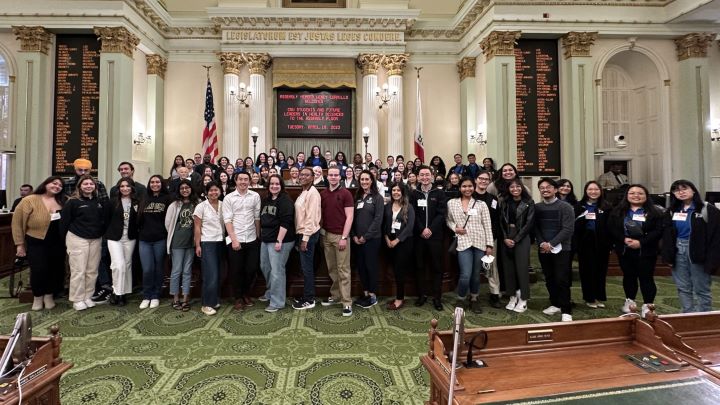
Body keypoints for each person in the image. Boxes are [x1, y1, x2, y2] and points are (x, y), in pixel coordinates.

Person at [661, 180, 720, 313]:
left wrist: (712, 259)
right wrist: (668, 255)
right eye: (676, 190)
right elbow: (667, 235)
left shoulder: (707, 209)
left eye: (684, 189)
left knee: (701, 288)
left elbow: (716, 236)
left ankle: (703, 316)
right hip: (678, 250)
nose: (681, 192)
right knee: (683, 287)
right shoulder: (672, 211)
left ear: (693, 190)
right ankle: (687, 315)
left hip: (698, 251)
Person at [607, 184, 663, 318]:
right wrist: (624, 239)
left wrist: (641, 242)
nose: (636, 196)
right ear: (626, 195)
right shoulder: (617, 211)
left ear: (646, 196)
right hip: (625, 250)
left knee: (646, 277)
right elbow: (612, 229)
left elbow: (658, 231)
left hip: (646, 250)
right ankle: (629, 301)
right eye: (632, 193)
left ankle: (647, 306)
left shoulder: (655, 212)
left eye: (640, 193)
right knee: (629, 276)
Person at [11, 176, 65, 311]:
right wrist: (20, 244)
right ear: (46, 183)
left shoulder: (62, 200)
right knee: (38, 270)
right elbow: (17, 223)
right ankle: (38, 297)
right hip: (36, 241)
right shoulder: (30, 200)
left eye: (60, 185)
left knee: (54, 269)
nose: (57, 186)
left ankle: (49, 296)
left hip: (57, 242)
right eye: (54, 183)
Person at [60, 175, 109, 311]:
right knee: (78, 270)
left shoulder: (99, 201)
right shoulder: (73, 202)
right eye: (85, 184)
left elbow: (103, 220)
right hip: (77, 238)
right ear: (80, 186)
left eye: (91, 184)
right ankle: (77, 299)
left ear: (95, 186)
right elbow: (64, 223)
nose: (88, 186)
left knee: (92, 270)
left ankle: (87, 296)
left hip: (95, 239)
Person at [447, 177, 494, 313]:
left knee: (475, 275)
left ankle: (474, 298)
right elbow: (448, 219)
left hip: (479, 242)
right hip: (463, 242)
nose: (467, 189)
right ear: (460, 188)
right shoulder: (452, 203)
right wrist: (455, 227)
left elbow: (487, 225)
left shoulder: (481, 204)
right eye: (464, 186)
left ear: (474, 187)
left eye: (470, 186)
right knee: (465, 274)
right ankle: (461, 298)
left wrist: (489, 245)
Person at [535, 178, 575, 322]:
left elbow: (568, 229)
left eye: (548, 187)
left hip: (562, 249)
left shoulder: (566, 207)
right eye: (542, 188)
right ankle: (555, 304)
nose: (545, 190)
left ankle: (566, 309)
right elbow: (536, 228)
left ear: (556, 190)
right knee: (549, 278)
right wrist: (541, 243)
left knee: (562, 279)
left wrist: (551, 243)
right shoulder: (537, 207)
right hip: (543, 249)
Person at [223, 171, 261, 311]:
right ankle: (238, 297)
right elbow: (227, 220)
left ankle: (246, 293)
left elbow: (257, 217)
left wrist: (258, 237)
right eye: (241, 179)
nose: (243, 182)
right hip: (236, 239)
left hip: (251, 238)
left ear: (249, 181)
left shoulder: (255, 196)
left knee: (251, 269)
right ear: (236, 180)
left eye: (246, 179)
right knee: (236, 270)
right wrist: (234, 240)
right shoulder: (229, 198)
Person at [319, 167, 355, 316]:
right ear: (327, 177)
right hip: (326, 235)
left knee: (343, 270)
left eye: (336, 175)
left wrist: (344, 237)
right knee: (332, 269)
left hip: (341, 236)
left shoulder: (346, 193)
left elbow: (350, 217)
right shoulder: (323, 194)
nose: (333, 177)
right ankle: (336, 296)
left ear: (340, 177)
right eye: (331, 175)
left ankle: (346, 302)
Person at [411, 166, 447, 311]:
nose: (425, 177)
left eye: (427, 175)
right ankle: (421, 295)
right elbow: (412, 214)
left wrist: (430, 229)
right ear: (418, 177)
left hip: (435, 236)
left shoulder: (439, 193)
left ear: (432, 176)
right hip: (419, 237)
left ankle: (437, 298)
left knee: (437, 268)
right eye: (422, 175)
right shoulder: (414, 193)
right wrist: (422, 229)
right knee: (419, 267)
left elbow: (441, 213)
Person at [259, 174, 295, 312]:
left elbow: (286, 222)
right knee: (265, 267)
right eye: (272, 184)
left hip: (281, 240)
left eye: (277, 184)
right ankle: (270, 292)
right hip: (266, 239)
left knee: (277, 271)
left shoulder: (285, 200)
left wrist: (279, 240)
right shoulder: (266, 199)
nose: (274, 186)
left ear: (281, 186)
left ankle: (277, 301)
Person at [499, 178, 535, 313]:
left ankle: (524, 298)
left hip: (522, 237)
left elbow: (529, 224)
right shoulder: (504, 202)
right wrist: (505, 238)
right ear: (508, 189)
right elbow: (500, 222)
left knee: (522, 268)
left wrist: (517, 238)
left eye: (518, 186)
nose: (515, 189)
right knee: (508, 268)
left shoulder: (529, 202)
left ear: (522, 188)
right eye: (512, 187)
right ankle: (512, 296)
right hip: (507, 236)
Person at [574, 181, 611, 309]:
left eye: (596, 189)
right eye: (590, 189)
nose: (593, 192)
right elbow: (574, 226)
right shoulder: (579, 206)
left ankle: (599, 297)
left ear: (601, 191)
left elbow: (610, 227)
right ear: (586, 191)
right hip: (585, 243)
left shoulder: (607, 207)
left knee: (601, 271)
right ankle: (589, 298)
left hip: (602, 243)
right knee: (587, 271)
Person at [351, 170, 384, 309]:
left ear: (372, 181)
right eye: (362, 179)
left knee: (371, 267)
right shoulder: (357, 197)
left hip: (372, 239)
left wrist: (366, 236)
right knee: (361, 267)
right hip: (357, 240)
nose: (364, 181)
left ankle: (372, 295)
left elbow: (378, 220)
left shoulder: (377, 197)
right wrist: (354, 235)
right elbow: (352, 218)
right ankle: (365, 293)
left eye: (367, 179)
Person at [165, 179, 199, 312]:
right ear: (179, 190)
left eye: (187, 188)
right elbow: (168, 224)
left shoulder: (197, 204)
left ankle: (185, 298)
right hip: (177, 242)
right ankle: (175, 298)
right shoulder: (174, 205)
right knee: (176, 271)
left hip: (191, 243)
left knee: (187, 271)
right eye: (182, 188)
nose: (185, 190)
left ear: (191, 189)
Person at [137, 175, 171, 310]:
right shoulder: (144, 198)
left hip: (160, 239)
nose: (154, 184)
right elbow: (138, 219)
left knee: (158, 268)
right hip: (144, 239)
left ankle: (156, 295)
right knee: (147, 269)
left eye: (157, 182)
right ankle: (146, 295)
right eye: (152, 182)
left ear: (161, 183)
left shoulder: (167, 199)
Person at [105, 178, 139, 307]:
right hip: (114, 237)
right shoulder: (112, 202)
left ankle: (124, 292)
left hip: (130, 238)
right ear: (118, 188)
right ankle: (117, 292)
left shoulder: (137, 202)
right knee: (118, 265)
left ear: (132, 188)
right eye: (122, 186)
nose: (125, 188)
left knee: (127, 264)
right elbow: (106, 219)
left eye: (127, 186)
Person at [292, 167, 322, 310]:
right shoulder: (304, 191)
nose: (303, 176)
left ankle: (309, 299)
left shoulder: (313, 193)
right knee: (305, 267)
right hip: (303, 233)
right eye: (301, 174)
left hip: (308, 234)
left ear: (312, 178)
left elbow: (311, 218)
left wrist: (305, 238)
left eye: (306, 175)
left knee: (307, 268)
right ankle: (306, 294)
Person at [193, 181, 225, 316]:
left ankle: (214, 299)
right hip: (207, 243)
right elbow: (197, 227)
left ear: (220, 191)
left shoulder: (224, 205)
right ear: (207, 192)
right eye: (211, 190)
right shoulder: (201, 207)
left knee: (219, 273)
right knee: (210, 274)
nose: (213, 193)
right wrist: (198, 244)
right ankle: (206, 304)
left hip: (221, 242)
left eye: (216, 190)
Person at [474, 170, 503, 309]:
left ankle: (494, 294)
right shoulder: (468, 196)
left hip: (490, 238)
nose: (483, 181)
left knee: (492, 267)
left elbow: (496, 220)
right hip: (472, 238)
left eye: (486, 179)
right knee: (474, 268)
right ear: (476, 179)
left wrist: (492, 238)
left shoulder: (493, 199)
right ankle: (473, 295)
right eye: (481, 178)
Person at [383, 182, 415, 310]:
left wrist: (397, 240)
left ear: (402, 192)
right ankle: (398, 296)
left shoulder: (409, 207)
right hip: (388, 241)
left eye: (398, 190)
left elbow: (409, 227)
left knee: (400, 271)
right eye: (394, 190)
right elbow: (384, 224)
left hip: (404, 242)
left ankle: (400, 299)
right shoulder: (387, 206)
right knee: (393, 270)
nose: (396, 192)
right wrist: (386, 238)